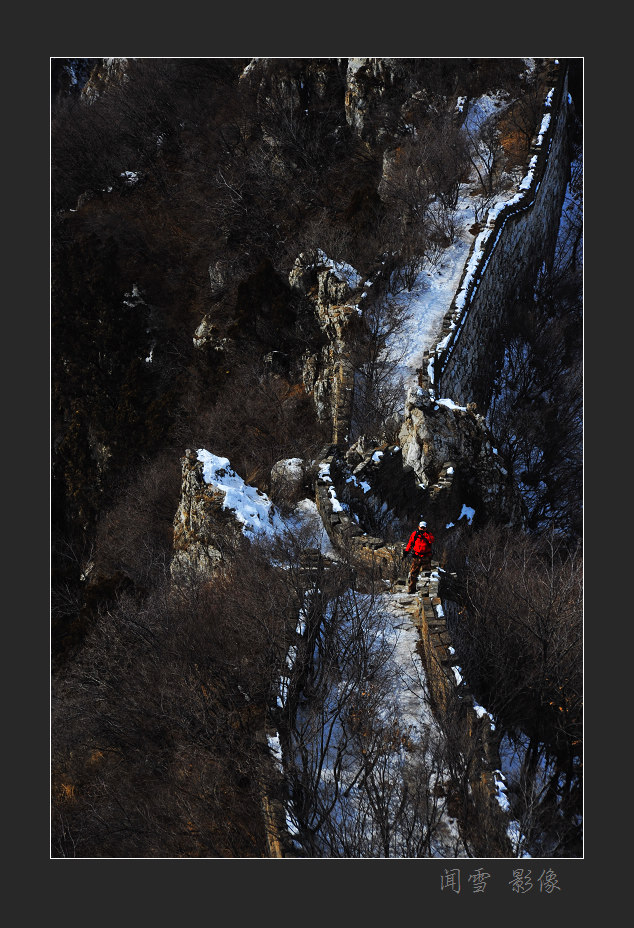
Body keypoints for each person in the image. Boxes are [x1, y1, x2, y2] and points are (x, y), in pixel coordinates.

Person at [404, 520, 435, 593]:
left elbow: (432, 540)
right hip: (416, 556)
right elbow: (410, 543)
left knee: (426, 574)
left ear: (426, 528)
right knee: (413, 573)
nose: (422, 529)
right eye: (421, 528)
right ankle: (412, 589)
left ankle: (425, 591)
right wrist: (406, 551)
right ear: (418, 527)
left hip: (426, 557)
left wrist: (424, 535)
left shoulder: (429, 534)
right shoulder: (415, 534)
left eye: (424, 528)